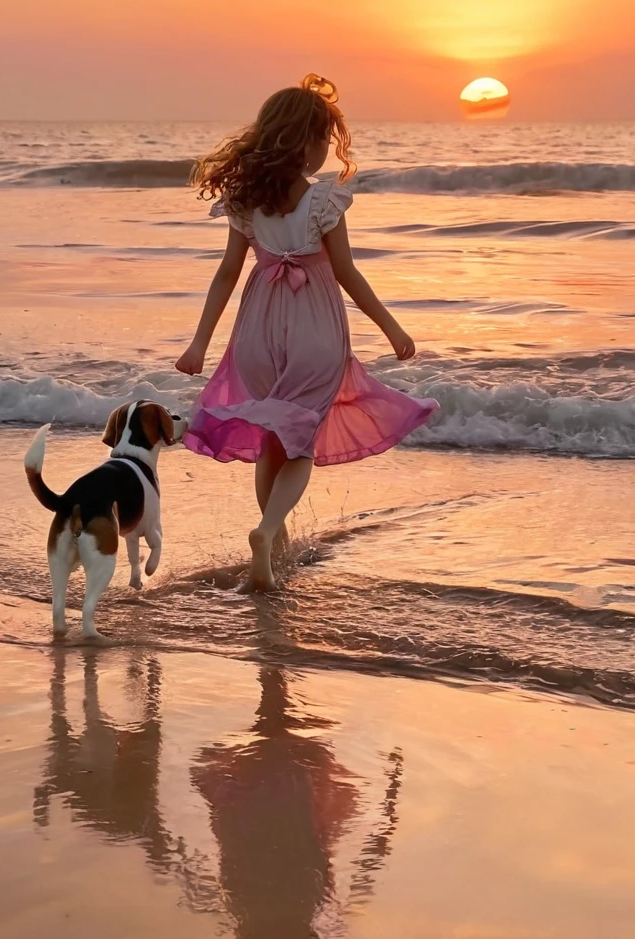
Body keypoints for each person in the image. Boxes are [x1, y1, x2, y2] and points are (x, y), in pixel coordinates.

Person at [176, 74, 439, 590]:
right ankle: (268, 531)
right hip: (314, 330)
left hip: (256, 331)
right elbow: (346, 273)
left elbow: (227, 273)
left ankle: (274, 548)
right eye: (323, 139)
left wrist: (199, 343)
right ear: (305, 142)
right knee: (300, 447)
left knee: (272, 441)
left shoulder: (244, 200)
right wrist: (392, 328)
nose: (325, 150)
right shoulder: (323, 202)